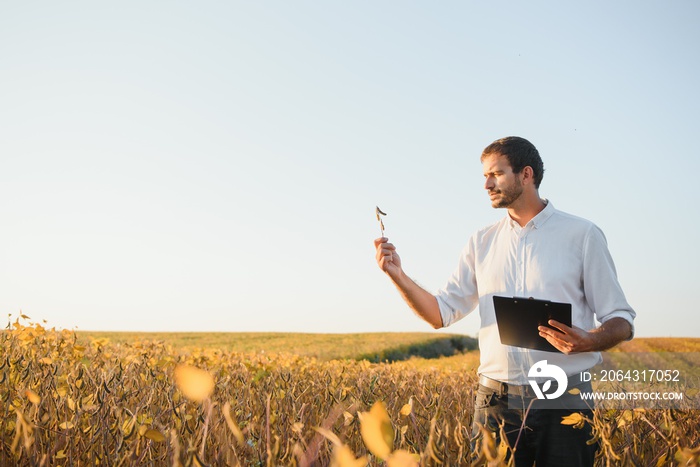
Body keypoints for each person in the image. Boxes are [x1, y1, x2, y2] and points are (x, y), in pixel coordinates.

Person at [373, 136, 635, 466]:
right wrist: (397, 274)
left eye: (495, 174)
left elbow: (621, 321)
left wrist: (589, 340)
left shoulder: (582, 235)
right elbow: (440, 314)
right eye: (485, 175)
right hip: (495, 402)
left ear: (526, 175)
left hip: (564, 399)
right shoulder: (480, 241)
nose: (486, 184)